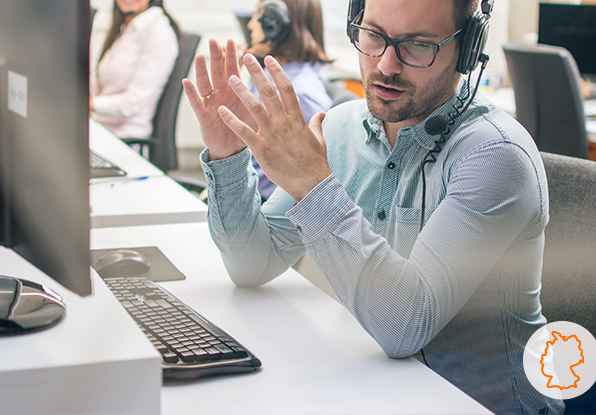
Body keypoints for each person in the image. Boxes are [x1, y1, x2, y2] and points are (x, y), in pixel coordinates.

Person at [182, 0, 563, 413]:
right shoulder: (341, 127)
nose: (386, 65)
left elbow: (405, 326)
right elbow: (252, 263)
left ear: (468, 49)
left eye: (417, 45)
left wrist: (314, 186)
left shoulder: (494, 156)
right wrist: (227, 156)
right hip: (382, 389)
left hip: (481, 403)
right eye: (374, 36)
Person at [245, 0, 333, 201]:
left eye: (256, 15)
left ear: (273, 22)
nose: (250, 25)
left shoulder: (300, 94)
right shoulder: (272, 76)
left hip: (266, 208)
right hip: (249, 195)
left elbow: (309, 184)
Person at [90, 0, 179, 139]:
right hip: (100, 131)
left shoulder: (158, 32)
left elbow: (133, 103)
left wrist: (90, 104)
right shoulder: (126, 30)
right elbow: (101, 85)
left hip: (123, 139)